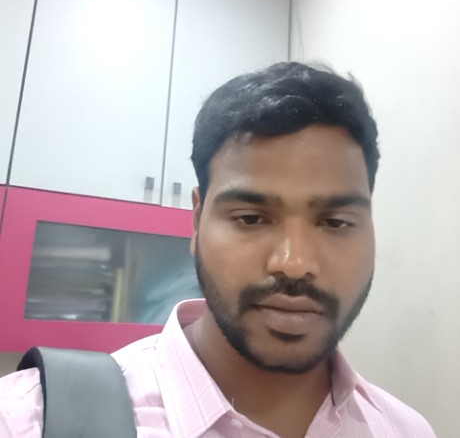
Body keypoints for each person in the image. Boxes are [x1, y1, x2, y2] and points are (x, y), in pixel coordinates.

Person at [0, 62, 436, 437]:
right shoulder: (27, 420)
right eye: (251, 218)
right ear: (196, 220)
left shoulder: (406, 430)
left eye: (336, 223)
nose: (295, 264)